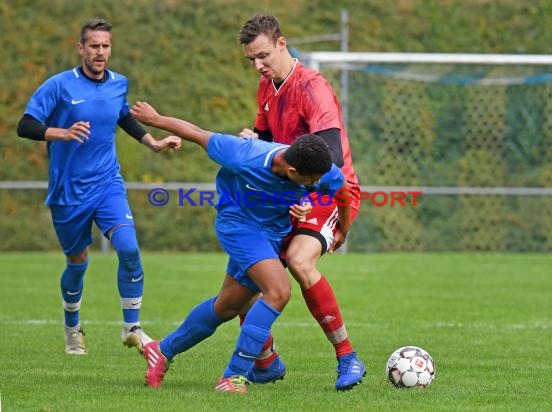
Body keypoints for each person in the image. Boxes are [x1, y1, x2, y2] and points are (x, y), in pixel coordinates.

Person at [130, 100, 351, 393]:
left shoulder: (317, 169)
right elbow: (196, 132)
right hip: (238, 227)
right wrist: (156, 118)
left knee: (227, 306)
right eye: (311, 181)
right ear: (293, 170)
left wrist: (338, 226)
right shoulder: (242, 154)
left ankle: (163, 350)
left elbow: (341, 192)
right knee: (279, 291)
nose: (318, 183)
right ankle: (233, 376)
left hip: (272, 234)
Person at [16, 18, 182, 356]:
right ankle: (72, 328)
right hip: (67, 192)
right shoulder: (60, 86)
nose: (101, 52)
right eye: (94, 46)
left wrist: (153, 142)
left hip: (107, 184)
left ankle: (131, 327)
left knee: (129, 247)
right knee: (77, 263)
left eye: (106, 46)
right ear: (81, 48)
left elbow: (122, 116)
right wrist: (59, 133)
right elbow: (25, 125)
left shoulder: (118, 83)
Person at [237, 14, 365, 391]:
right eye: (251, 60)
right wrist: (251, 143)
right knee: (247, 276)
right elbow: (266, 148)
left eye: (263, 56)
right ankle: (267, 362)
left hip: (328, 190)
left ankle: (348, 358)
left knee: (298, 259)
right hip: (290, 192)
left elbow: (331, 159)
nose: (258, 66)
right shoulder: (267, 87)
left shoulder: (314, 88)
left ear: (282, 43)